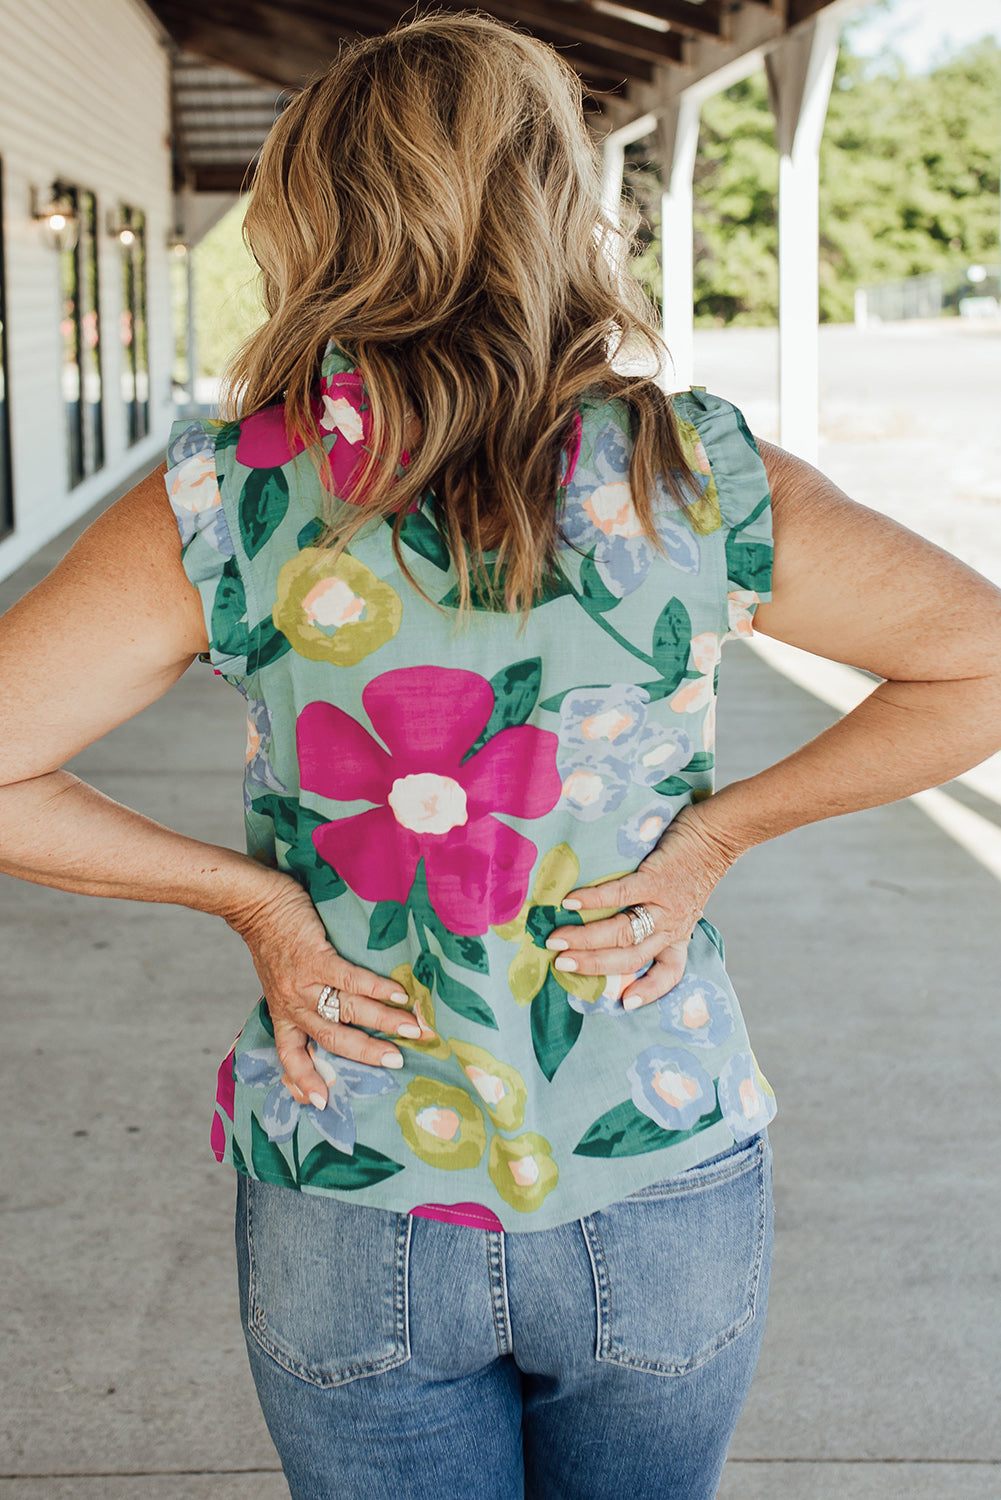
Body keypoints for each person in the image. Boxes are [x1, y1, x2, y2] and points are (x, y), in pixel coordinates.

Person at [1, 13, 1000, 1500]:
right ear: (554, 202)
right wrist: (713, 841)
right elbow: (977, 656)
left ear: (311, 213)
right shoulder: (690, 472)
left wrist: (261, 906)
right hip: (653, 1149)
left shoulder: (229, 495)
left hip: (354, 1170)